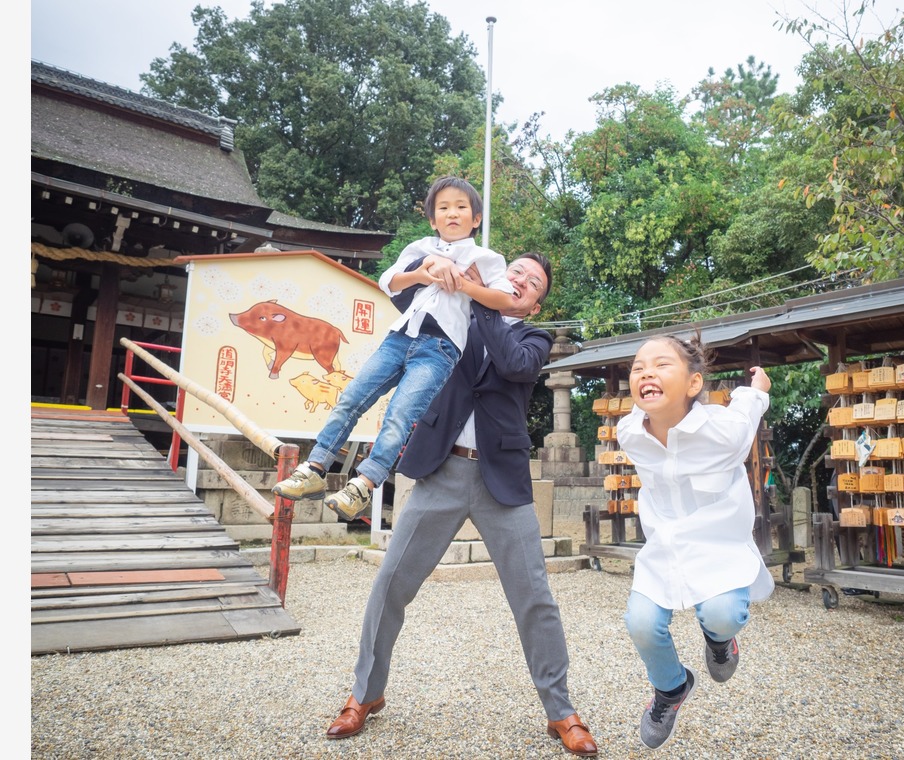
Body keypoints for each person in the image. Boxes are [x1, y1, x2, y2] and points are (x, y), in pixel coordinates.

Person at [323, 251, 599, 758]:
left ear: (536, 304)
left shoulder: (533, 338)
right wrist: (443, 274)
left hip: (502, 480)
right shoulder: (455, 317)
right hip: (441, 468)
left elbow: (514, 366)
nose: (519, 279)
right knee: (391, 583)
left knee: (534, 596)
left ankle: (560, 710)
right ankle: (365, 694)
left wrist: (483, 298)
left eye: (531, 281)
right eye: (514, 270)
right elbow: (405, 296)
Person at [272, 176, 515, 521]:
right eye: (443, 208)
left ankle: (365, 484)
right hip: (399, 336)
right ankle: (314, 468)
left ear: (476, 218)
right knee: (351, 397)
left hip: (440, 348)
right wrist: (424, 271)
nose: (452, 214)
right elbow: (388, 281)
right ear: (432, 219)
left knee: (399, 415)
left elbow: (505, 300)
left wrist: (462, 282)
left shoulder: (486, 257)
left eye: (461, 207)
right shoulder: (421, 247)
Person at [615, 333, 774, 751]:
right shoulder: (629, 431)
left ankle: (720, 641)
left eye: (662, 364)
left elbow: (748, 410)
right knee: (641, 624)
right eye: (638, 367)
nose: (646, 372)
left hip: (718, 547)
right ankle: (671, 688)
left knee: (722, 613)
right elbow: (645, 399)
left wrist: (759, 389)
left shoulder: (724, 432)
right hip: (664, 550)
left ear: (694, 384)